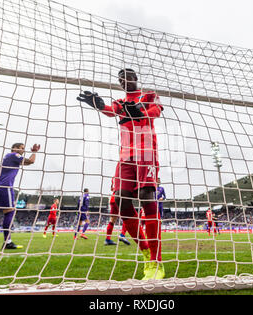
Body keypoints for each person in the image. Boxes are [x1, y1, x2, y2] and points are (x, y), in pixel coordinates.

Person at [77, 68, 164, 280]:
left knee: (146, 197)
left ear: (135, 79)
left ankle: (156, 261)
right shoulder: (120, 101)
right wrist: (97, 104)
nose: (123, 82)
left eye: (127, 78)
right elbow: (110, 110)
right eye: (120, 80)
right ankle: (145, 249)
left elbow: (157, 110)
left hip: (146, 153)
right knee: (120, 200)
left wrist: (141, 111)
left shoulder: (148, 95)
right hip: (125, 155)